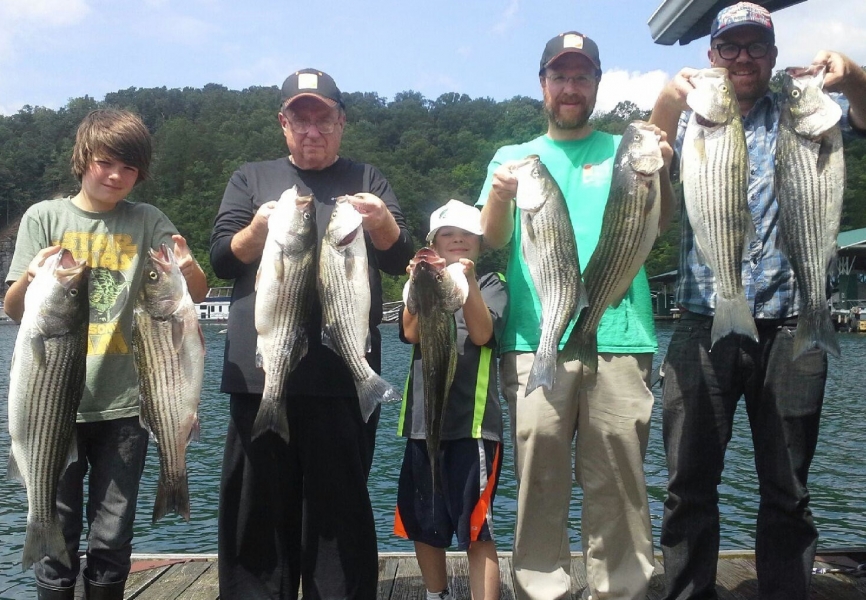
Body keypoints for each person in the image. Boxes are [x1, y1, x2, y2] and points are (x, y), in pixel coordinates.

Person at [649, 3, 866, 599]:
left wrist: (853, 76)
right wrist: (668, 102)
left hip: (796, 321)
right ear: (711, 56)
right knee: (687, 484)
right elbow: (643, 161)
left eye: (756, 47)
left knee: (787, 488)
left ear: (772, 56)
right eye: (730, 47)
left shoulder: (802, 112)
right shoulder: (692, 117)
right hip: (705, 316)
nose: (743, 57)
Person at [477, 32, 674, 600]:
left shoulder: (624, 149)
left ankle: (623, 589)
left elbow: (658, 226)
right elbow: (492, 239)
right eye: (559, 77)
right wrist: (498, 193)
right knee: (539, 472)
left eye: (581, 77)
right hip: (534, 338)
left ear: (596, 86)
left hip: (620, 331)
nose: (570, 88)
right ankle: (543, 589)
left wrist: (659, 167)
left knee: (619, 475)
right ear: (542, 85)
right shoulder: (512, 159)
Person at [210, 68, 414, 600]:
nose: (312, 130)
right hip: (260, 377)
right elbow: (221, 261)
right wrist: (256, 230)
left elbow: (400, 258)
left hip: (341, 379)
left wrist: (382, 225)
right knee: (255, 516)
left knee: (338, 516)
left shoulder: (367, 179)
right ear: (284, 124)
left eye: (323, 118)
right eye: (301, 119)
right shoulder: (249, 178)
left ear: (341, 122)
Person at [4, 108, 208, 600]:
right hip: (54, 410)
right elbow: (13, 310)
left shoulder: (147, 220)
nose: (116, 176)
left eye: (129, 168)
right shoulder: (44, 217)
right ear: (82, 159)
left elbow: (193, 294)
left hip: (129, 408)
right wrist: (31, 278)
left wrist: (185, 263)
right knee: (57, 537)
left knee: (113, 537)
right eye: (105, 163)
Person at [393, 199, 507, 600]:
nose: (457, 239)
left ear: (480, 243)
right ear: (434, 245)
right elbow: (410, 333)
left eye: (467, 235)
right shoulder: (422, 283)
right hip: (423, 425)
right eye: (447, 235)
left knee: (477, 529)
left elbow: (481, 334)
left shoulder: (492, 283)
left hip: (472, 427)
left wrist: (469, 280)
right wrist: (417, 287)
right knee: (422, 522)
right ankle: (435, 594)